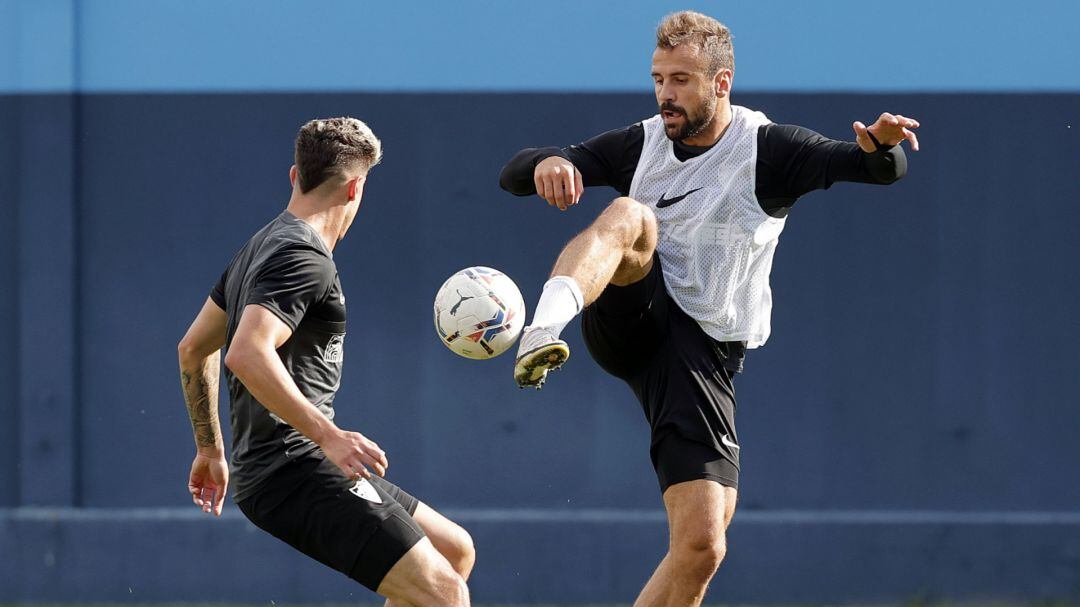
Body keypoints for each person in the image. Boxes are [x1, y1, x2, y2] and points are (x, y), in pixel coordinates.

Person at [499, 11, 919, 606]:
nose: (666, 95)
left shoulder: (770, 149)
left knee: (703, 546)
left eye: (682, 81)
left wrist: (881, 148)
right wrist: (548, 161)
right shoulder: (641, 143)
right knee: (630, 215)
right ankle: (542, 331)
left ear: (721, 83)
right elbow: (513, 174)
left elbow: (875, 169)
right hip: (635, 318)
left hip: (705, 354)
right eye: (659, 79)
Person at [177, 117, 474, 606]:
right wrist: (329, 437)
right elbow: (246, 352)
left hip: (280, 468)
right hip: (293, 469)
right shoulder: (302, 256)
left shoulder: (262, 243)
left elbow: (192, 349)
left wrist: (210, 449)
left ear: (295, 176)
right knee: (444, 593)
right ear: (356, 187)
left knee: (453, 552)